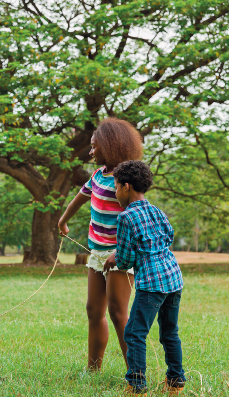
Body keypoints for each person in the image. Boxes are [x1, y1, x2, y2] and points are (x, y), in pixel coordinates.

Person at [58, 117, 143, 370]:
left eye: (95, 146)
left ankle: (135, 373)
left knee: (118, 313)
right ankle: (93, 368)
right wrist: (63, 220)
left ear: (112, 145)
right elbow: (80, 198)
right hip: (96, 252)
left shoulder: (126, 180)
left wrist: (120, 252)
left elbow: (138, 218)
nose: (91, 151)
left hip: (120, 254)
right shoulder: (97, 175)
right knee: (94, 311)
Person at [103, 161, 185, 396]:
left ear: (126, 187)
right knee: (170, 332)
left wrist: (115, 257)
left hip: (151, 284)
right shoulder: (157, 210)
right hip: (173, 278)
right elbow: (167, 236)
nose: (116, 193)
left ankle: (136, 385)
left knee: (134, 333)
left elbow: (127, 259)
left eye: (117, 188)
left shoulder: (126, 218)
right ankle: (176, 382)